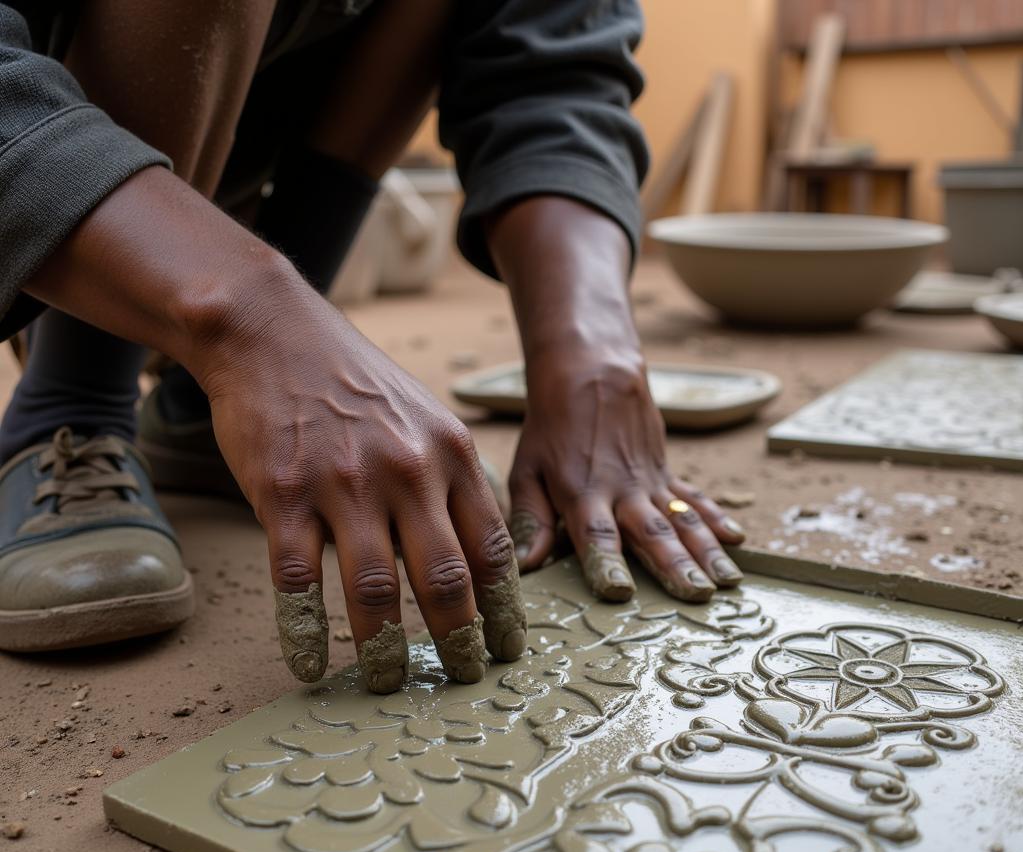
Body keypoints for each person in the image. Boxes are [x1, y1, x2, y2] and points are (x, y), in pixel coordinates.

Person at [0, 0, 746, 693]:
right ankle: (73, 400)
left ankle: (203, 412)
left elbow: (555, 64)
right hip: (72, 157)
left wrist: (587, 352)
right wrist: (249, 317)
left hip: (268, 135)